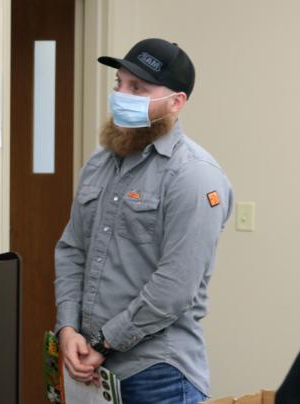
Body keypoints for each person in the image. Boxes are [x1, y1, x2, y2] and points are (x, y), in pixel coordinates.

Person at [54, 38, 233, 404]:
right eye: (119, 83)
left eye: (138, 87)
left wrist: (106, 342)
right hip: (92, 371)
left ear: (176, 102)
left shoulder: (193, 175)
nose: (122, 94)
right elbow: (72, 250)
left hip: (158, 375)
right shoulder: (98, 165)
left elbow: (175, 286)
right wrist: (68, 329)